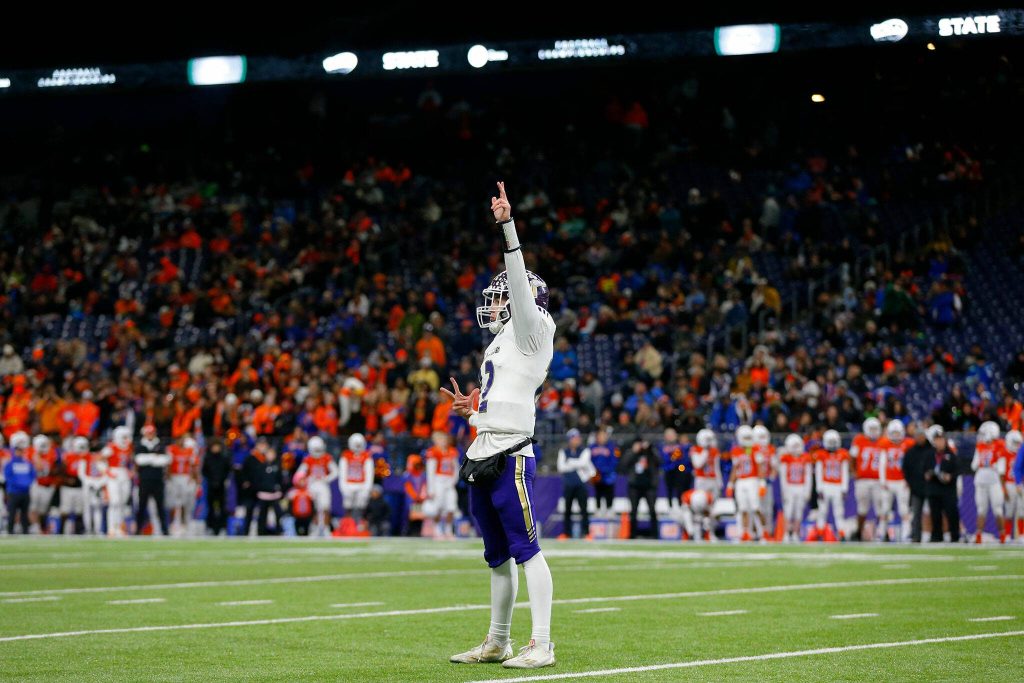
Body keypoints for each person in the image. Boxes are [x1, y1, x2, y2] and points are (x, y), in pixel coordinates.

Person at [444, 182, 556, 669]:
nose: (495, 300)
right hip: (483, 450)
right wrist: (474, 413)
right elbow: (503, 396)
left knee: (526, 548)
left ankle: (543, 644)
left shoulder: (534, 329)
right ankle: (497, 641)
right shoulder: (501, 343)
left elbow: (517, 278)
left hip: (511, 453)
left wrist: (507, 227)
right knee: (496, 555)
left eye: (506, 293)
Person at [618, 436, 661, 539]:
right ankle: (632, 534)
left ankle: (655, 534)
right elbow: (622, 466)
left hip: (649, 486)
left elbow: (659, 462)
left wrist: (649, 450)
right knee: (633, 511)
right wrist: (633, 452)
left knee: (652, 510)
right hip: (634, 486)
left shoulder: (650, 453)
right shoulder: (632, 453)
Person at [812, 430, 850, 542]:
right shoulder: (821, 454)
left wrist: (844, 488)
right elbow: (818, 473)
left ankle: (841, 533)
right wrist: (819, 489)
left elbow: (844, 473)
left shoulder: (842, 454)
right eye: (830, 442)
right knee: (822, 511)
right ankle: (820, 533)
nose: (832, 444)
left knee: (839, 512)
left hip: (837, 486)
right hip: (825, 485)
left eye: (834, 442)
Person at [556, 428, 593, 540]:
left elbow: (584, 462)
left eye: (578, 438)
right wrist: (577, 464)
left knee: (584, 509)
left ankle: (586, 533)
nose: (577, 440)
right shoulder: (563, 451)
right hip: (568, 484)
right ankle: (567, 533)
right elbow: (561, 467)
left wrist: (570, 462)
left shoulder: (585, 450)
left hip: (581, 484)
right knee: (567, 510)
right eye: (575, 438)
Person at [135, 425, 170, 535]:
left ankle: (164, 530)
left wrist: (148, 458)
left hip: (158, 480)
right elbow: (139, 460)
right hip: (144, 480)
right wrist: (154, 457)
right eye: (148, 433)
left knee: (160, 506)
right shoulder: (140, 444)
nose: (150, 435)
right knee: (141, 506)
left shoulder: (160, 444)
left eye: (152, 433)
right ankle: (138, 530)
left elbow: (165, 460)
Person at [925, 433, 960, 542]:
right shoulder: (930, 455)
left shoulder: (951, 454)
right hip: (934, 488)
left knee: (951, 513)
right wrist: (927, 474)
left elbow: (958, 470)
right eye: (937, 440)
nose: (939, 443)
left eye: (941, 440)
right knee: (935, 514)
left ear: (945, 441)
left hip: (948, 489)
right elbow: (924, 468)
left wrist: (950, 476)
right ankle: (936, 536)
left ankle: (955, 536)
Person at [902, 425, 932, 543]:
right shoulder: (910, 452)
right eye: (917, 436)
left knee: (932, 512)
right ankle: (916, 536)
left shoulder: (931, 450)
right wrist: (911, 483)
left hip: (931, 487)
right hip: (916, 487)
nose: (920, 438)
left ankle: (933, 536)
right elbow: (905, 469)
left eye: (921, 435)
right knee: (916, 513)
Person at [3, 432, 35, 534]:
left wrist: (26, 484)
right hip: (14, 492)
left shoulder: (27, 463)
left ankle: (25, 532)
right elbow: (8, 477)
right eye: (18, 450)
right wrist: (19, 484)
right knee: (12, 513)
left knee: (24, 514)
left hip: (25, 492)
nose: (20, 452)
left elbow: (32, 475)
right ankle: (10, 531)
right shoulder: (10, 463)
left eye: (21, 450)